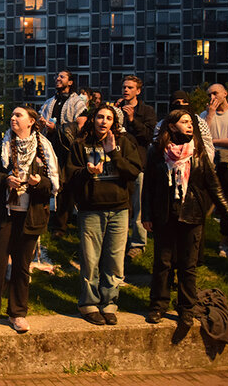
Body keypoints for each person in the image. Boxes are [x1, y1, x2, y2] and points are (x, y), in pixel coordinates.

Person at [0, 106, 59, 333]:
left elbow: (54, 185)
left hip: (31, 215)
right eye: (12, 115)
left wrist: (39, 183)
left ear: (31, 122)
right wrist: (5, 179)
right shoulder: (1, 145)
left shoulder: (44, 147)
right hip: (4, 214)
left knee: (21, 266)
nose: (13, 118)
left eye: (19, 115)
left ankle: (17, 314)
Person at [142, 109, 228, 333]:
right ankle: (158, 305)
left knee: (187, 265)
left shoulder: (198, 151)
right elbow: (149, 188)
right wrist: (146, 215)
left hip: (192, 214)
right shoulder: (156, 152)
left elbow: (213, 186)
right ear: (172, 126)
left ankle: (186, 308)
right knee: (162, 263)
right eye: (184, 122)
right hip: (164, 213)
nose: (190, 125)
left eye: (191, 122)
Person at [65, 105, 142, 326]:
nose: (104, 121)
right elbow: (69, 177)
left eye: (109, 118)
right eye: (100, 116)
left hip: (119, 209)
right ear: (93, 119)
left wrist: (114, 153)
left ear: (114, 123)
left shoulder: (124, 143)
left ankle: (110, 303)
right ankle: (88, 303)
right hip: (91, 209)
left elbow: (133, 171)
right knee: (90, 260)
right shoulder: (80, 145)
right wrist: (87, 172)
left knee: (115, 260)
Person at [38, 70, 88, 237]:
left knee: (66, 188)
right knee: (45, 183)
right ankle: (42, 221)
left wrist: (58, 128)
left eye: (62, 77)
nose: (58, 79)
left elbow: (81, 126)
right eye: (57, 76)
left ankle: (60, 227)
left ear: (70, 82)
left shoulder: (77, 102)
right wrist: (41, 123)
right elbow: (40, 121)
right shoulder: (49, 102)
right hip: (49, 149)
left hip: (68, 151)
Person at [114, 75, 156, 261]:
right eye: (124, 87)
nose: (126, 90)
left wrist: (132, 119)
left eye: (130, 87)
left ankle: (138, 243)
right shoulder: (116, 109)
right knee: (121, 205)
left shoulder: (146, 111)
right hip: (118, 163)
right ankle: (119, 240)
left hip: (138, 163)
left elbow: (148, 136)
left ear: (138, 90)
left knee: (139, 205)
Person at [200, 83, 228, 258]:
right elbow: (200, 137)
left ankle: (224, 243)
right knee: (205, 204)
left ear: (225, 94)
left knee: (227, 202)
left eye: (215, 93)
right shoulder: (205, 115)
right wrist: (210, 116)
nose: (212, 97)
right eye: (209, 95)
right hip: (209, 164)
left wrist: (212, 141)